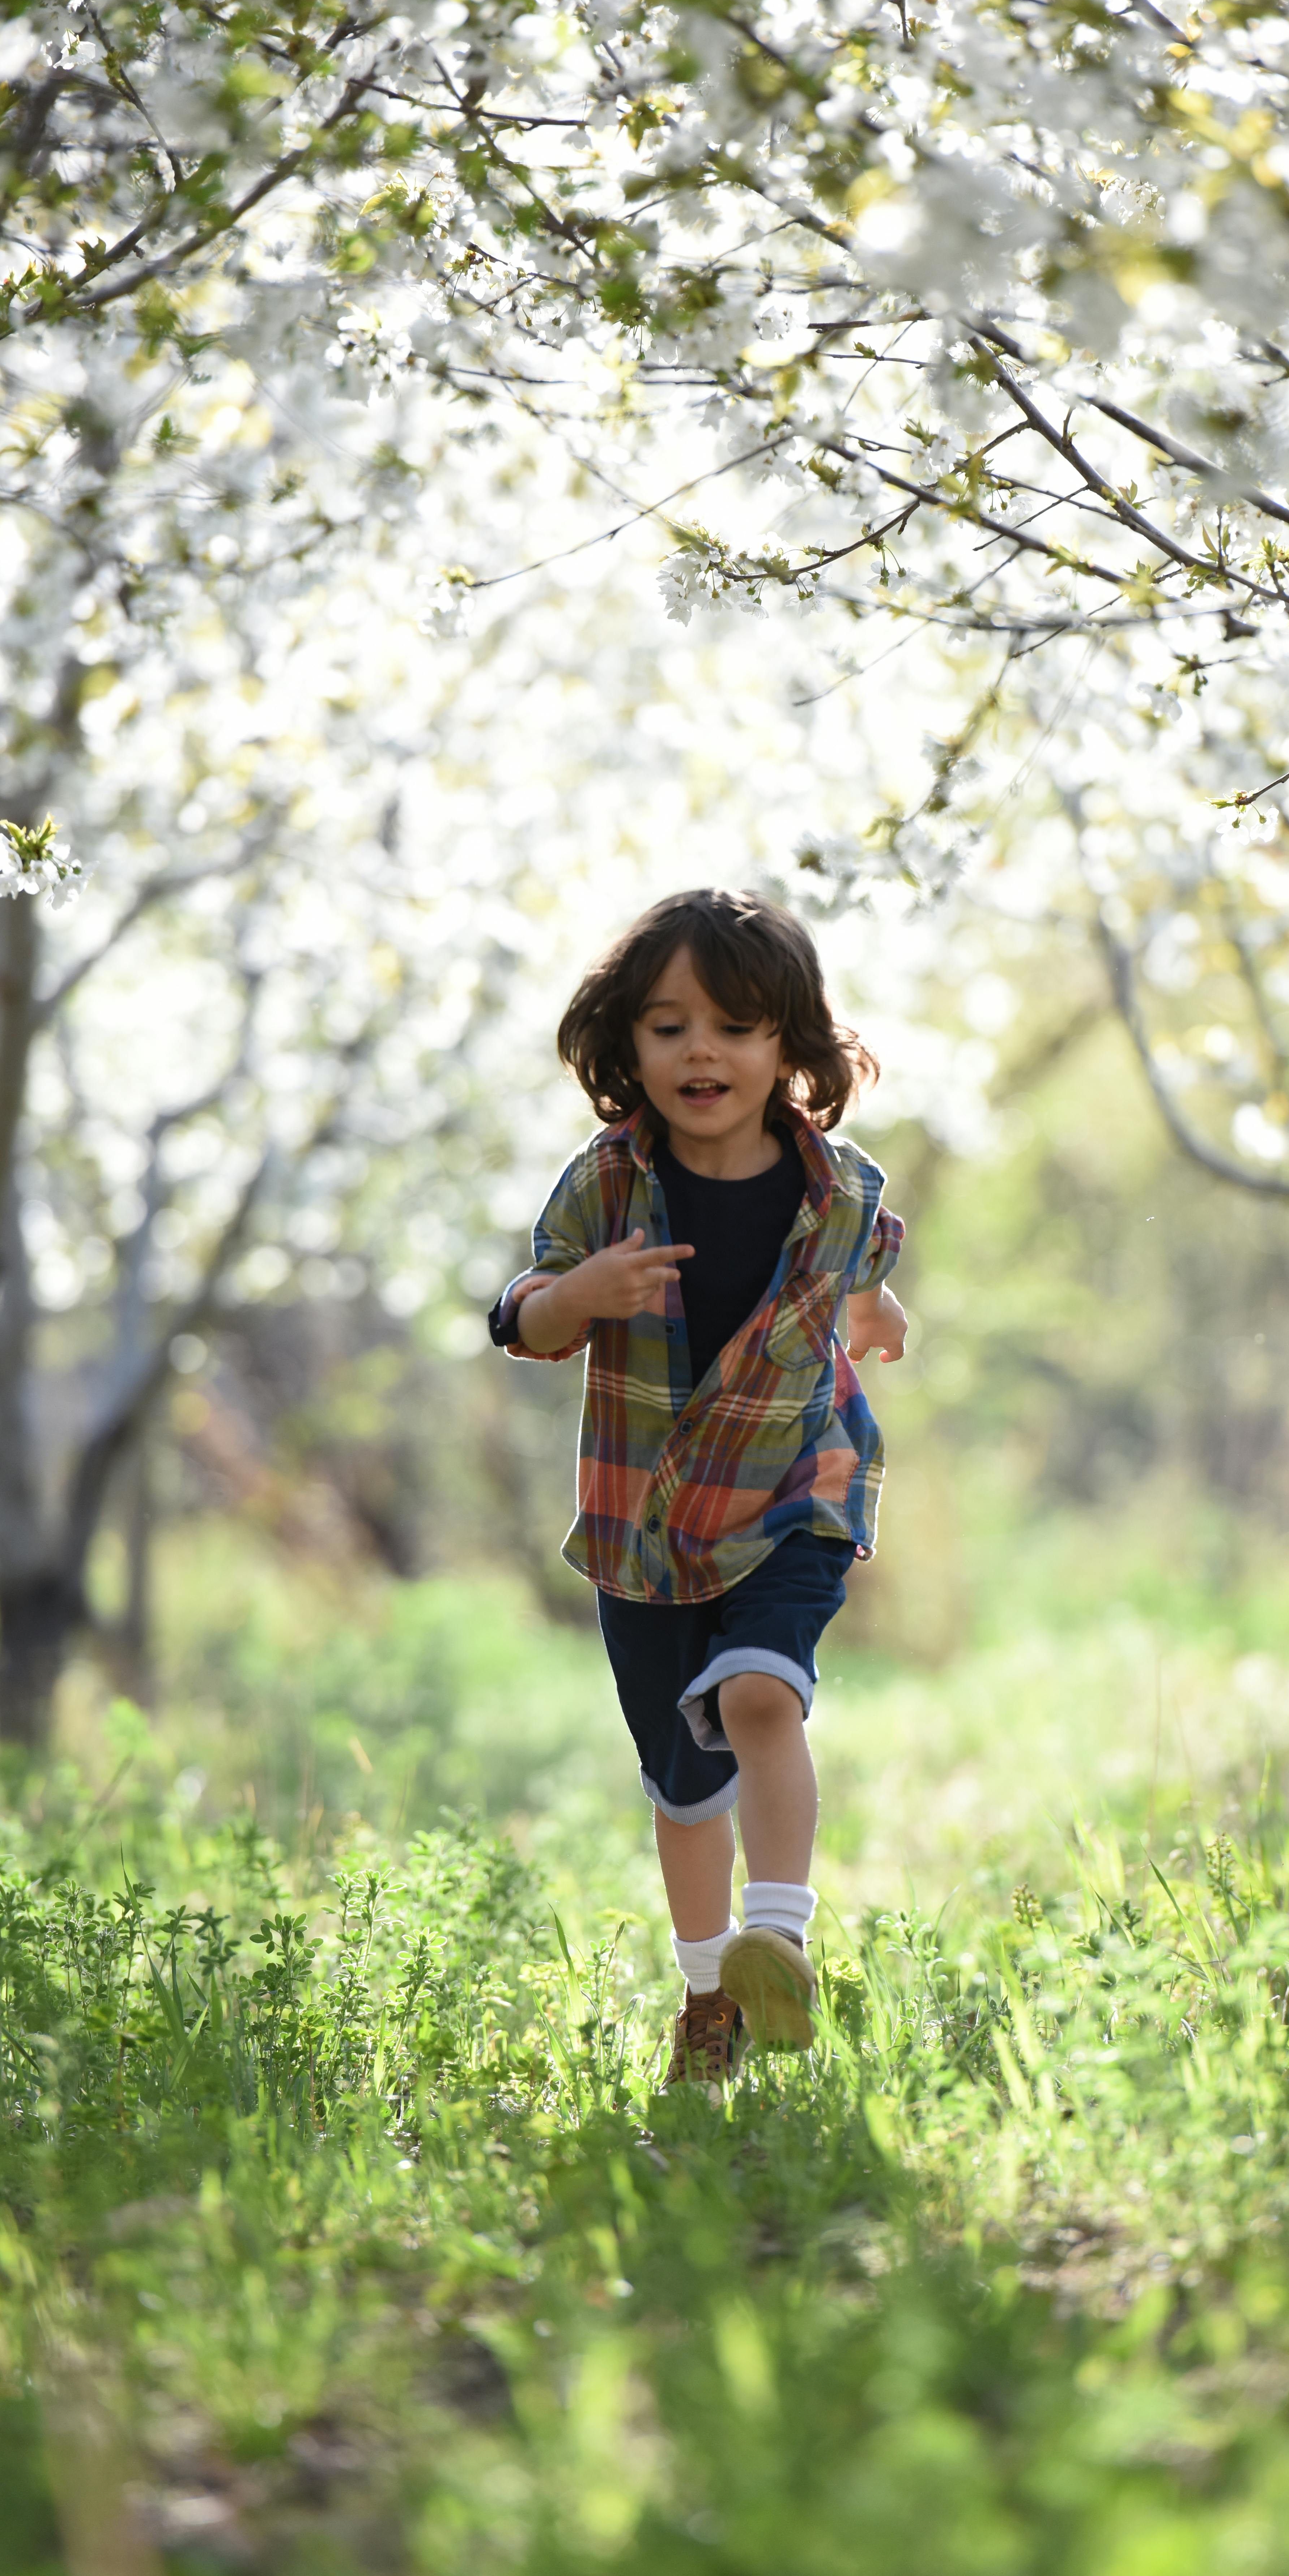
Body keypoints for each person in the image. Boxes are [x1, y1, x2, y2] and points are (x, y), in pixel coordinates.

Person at [488, 888, 907, 2090]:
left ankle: (779, 1935)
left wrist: (877, 1313)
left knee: (764, 1696)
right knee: (685, 1783)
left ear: (791, 1049)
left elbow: (865, 1265)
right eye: (668, 1028)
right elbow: (521, 1312)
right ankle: (710, 1990)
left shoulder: (841, 1188)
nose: (701, 1052)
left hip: (797, 1489)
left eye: (734, 1025)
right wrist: (577, 1300)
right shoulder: (608, 1188)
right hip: (650, 1528)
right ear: (627, 1048)